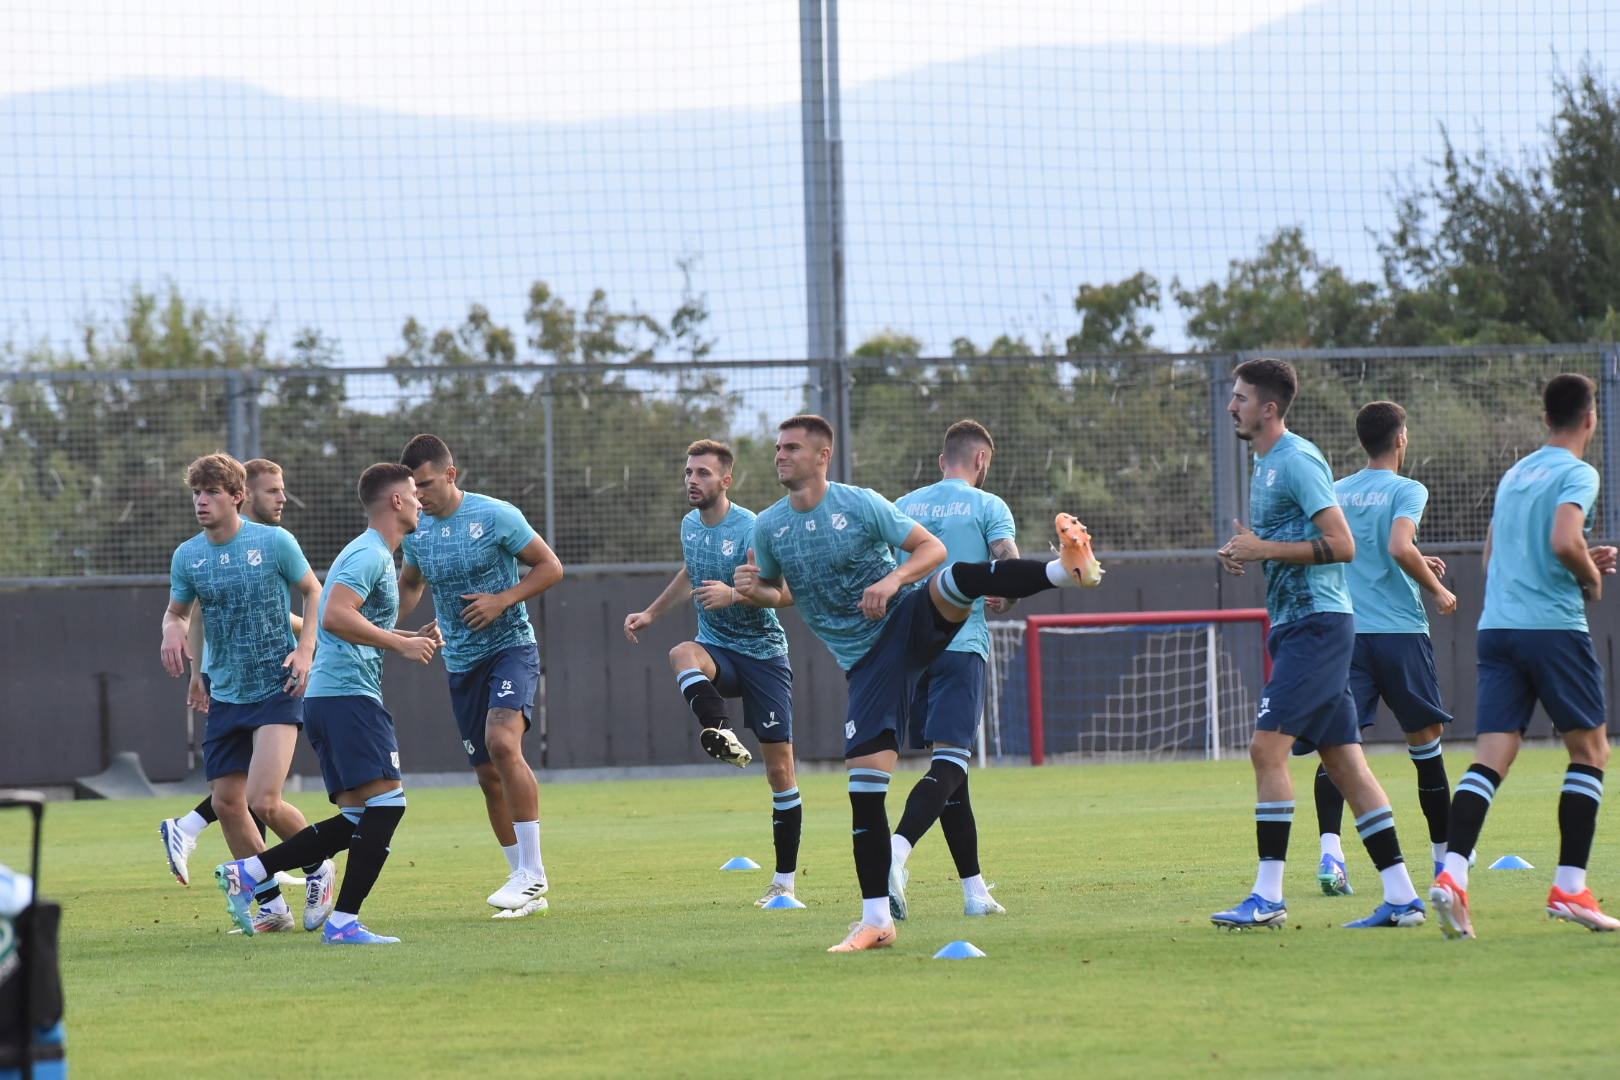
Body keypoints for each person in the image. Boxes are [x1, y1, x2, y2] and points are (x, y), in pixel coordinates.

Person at [734, 414, 1102, 952]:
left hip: (906, 620)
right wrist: (753, 590)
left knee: (956, 578)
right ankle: (877, 922)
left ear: (822, 456)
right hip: (866, 664)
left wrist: (891, 580)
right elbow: (776, 591)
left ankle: (1065, 571)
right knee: (865, 788)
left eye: (791, 447)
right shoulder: (768, 526)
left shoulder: (863, 503)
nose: (780, 455)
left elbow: (931, 551)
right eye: (778, 447)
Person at [1213, 359, 1425, 930]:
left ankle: (1267, 897)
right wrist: (1248, 548)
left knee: (1266, 750)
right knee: (1346, 764)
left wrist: (1264, 550)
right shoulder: (1263, 464)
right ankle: (1403, 897)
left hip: (1318, 625)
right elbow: (1289, 540)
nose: (1231, 406)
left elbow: (1343, 544)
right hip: (1297, 625)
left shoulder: (1297, 459)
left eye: (1240, 398)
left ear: (1269, 408)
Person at [216, 463, 439, 943]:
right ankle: (341, 922)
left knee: (358, 817)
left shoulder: (374, 553)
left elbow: (349, 628)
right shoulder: (370, 554)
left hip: (333, 696)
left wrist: (406, 636)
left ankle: (249, 872)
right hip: (345, 695)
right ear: (395, 501)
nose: (420, 501)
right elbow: (335, 616)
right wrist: (399, 645)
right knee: (388, 807)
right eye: (413, 493)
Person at [1430, 373, 1620, 939]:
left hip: (1498, 628)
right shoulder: (1578, 472)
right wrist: (1590, 578)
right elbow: (1563, 540)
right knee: (1590, 751)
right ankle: (1569, 887)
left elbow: (1495, 556)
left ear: (1545, 419)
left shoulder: (1516, 474)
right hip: (1552, 629)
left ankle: (1453, 875)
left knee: (1491, 758)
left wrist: (1577, 556)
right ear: (1591, 419)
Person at [158, 453, 334, 933]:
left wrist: (305, 650)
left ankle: (319, 866)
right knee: (226, 804)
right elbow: (181, 612)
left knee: (264, 801)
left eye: (212, 492)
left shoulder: (274, 542)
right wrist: (176, 639)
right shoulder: (188, 555)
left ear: (237, 497)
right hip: (226, 693)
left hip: (277, 685)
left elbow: (313, 591)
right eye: (197, 492)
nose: (201, 500)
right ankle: (271, 905)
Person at [622, 440, 803, 907]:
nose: (692, 480)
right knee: (682, 652)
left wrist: (735, 595)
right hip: (717, 649)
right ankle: (720, 731)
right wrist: (651, 613)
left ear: (726, 481)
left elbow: (787, 591)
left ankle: (784, 882)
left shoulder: (752, 528)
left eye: (702, 473)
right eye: (688, 472)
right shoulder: (689, 526)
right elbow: (690, 572)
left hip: (763, 656)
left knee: (780, 771)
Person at [397, 434, 565, 918]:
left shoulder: (495, 515)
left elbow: (550, 567)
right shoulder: (417, 531)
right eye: (413, 488)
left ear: (450, 475)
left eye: (426, 484)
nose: (419, 496)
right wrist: (382, 628)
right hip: (461, 663)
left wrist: (502, 600)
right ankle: (522, 881)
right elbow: (411, 584)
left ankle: (533, 873)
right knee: (489, 777)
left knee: (502, 743)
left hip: (511, 649)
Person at [1310, 401, 1458, 896]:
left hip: (1347, 633)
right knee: (1426, 748)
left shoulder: (1336, 491)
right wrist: (1437, 590)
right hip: (1399, 633)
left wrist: (1416, 559)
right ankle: (1443, 866)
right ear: (1401, 439)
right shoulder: (1407, 489)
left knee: (1339, 747)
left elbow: (1345, 551)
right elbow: (1397, 546)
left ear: (1362, 441)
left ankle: (1331, 856)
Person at [887, 420, 1018, 921]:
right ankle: (895, 853)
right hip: (961, 646)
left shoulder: (904, 504)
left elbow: (885, 570)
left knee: (952, 772)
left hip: (911, 649)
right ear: (981, 460)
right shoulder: (988, 505)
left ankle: (974, 891)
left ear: (943, 461)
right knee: (951, 764)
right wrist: (1006, 594)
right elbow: (1008, 570)